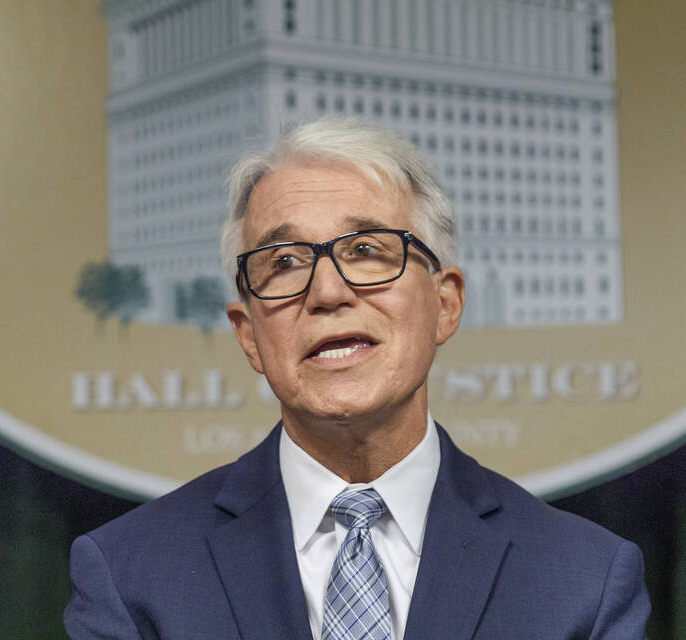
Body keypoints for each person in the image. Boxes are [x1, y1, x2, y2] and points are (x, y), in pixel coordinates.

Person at [65, 118, 650, 639]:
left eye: (367, 249)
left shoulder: (584, 582)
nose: (327, 292)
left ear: (445, 304)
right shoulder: (130, 575)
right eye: (284, 263)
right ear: (248, 335)